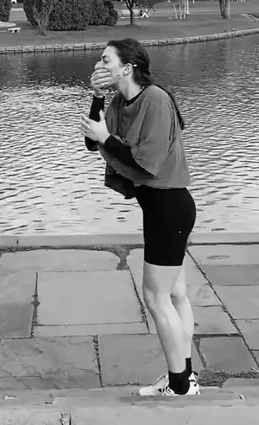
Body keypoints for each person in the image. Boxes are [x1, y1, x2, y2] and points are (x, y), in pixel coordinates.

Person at [80, 38, 198, 397]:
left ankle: (179, 386)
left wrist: (105, 137)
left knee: (155, 296)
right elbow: (92, 139)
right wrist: (98, 97)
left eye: (106, 60)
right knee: (175, 293)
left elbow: (148, 160)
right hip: (157, 205)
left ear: (127, 67)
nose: (99, 66)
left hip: (169, 206)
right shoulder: (119, 102)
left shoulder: (156, 100)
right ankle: (186, 377)